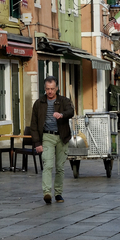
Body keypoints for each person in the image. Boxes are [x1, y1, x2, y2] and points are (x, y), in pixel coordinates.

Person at [31, 76, 74, 204]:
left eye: (52, 89)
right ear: (45, 89)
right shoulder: (39, 103)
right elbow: (33, 124)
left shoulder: (64, 101)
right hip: (47, 136)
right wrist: (37, 143)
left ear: (57, 88)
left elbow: (71, 111)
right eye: (47, 89)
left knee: (60, 167)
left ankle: (58, 193)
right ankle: (47, 193)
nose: (50, 91)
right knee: (48, 165)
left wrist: (62, 115)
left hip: (62, 137)